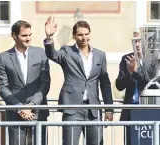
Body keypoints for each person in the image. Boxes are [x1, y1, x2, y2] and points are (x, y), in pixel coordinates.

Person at [44, 16, 113, 145]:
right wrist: (49, 37)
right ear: (74, 36)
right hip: (72, 108)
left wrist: (109, 109)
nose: (84, 38)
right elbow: (52, 54)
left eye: (86, 34)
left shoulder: (100, 55)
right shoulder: (67, 51)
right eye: (80, 35)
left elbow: (105, 83)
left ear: (90, 34)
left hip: (93, 109)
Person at [0, 20, 50, 145]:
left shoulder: (40, 53)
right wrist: (20, 108)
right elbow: (2, 87)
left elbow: (45, 84)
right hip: (15, 114)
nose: (28, 39)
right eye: (24, 36)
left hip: (38, 111)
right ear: (14, 36)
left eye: (30, 35)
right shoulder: (4, 57)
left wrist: (31, 105)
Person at [116, 31, 148, 144]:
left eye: (140, 40)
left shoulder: (153, 60)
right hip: (131, 111)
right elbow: (119, 85)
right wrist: (129, 74)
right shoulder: (126, 59)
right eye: (135, 41)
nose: (137, 44)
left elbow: (150, 83)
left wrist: (136, 71)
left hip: (148, 110)